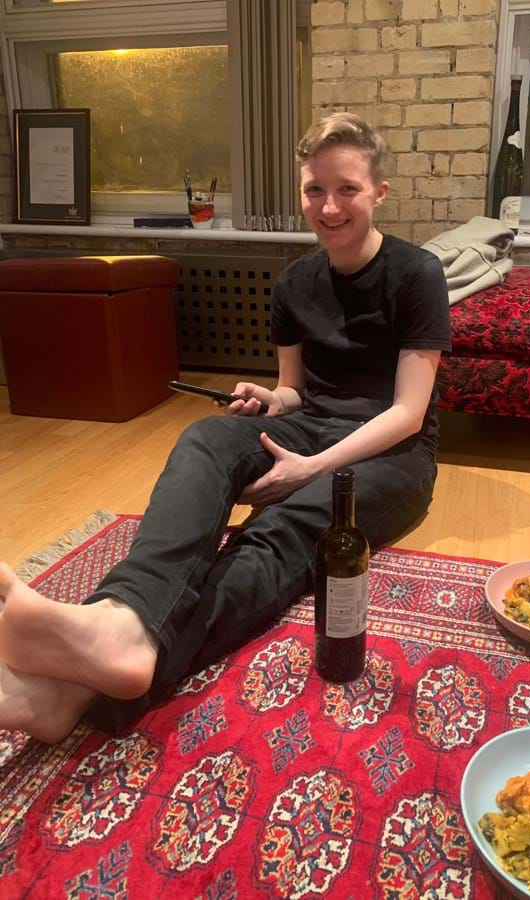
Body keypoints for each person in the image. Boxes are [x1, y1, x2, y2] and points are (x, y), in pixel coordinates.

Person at [0, 113, 451, 744]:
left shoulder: (417, 275)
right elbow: (298, 389)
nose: (328, 205)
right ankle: (124, 616)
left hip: (394, 454)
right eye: (314, 189)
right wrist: (271, 398)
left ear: (378, 192)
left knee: (278, 530)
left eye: (346, 188)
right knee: (205, 439)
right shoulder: (293, 282)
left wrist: (309, 471)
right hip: (313, 426)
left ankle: (80, 690)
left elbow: (406, 413)